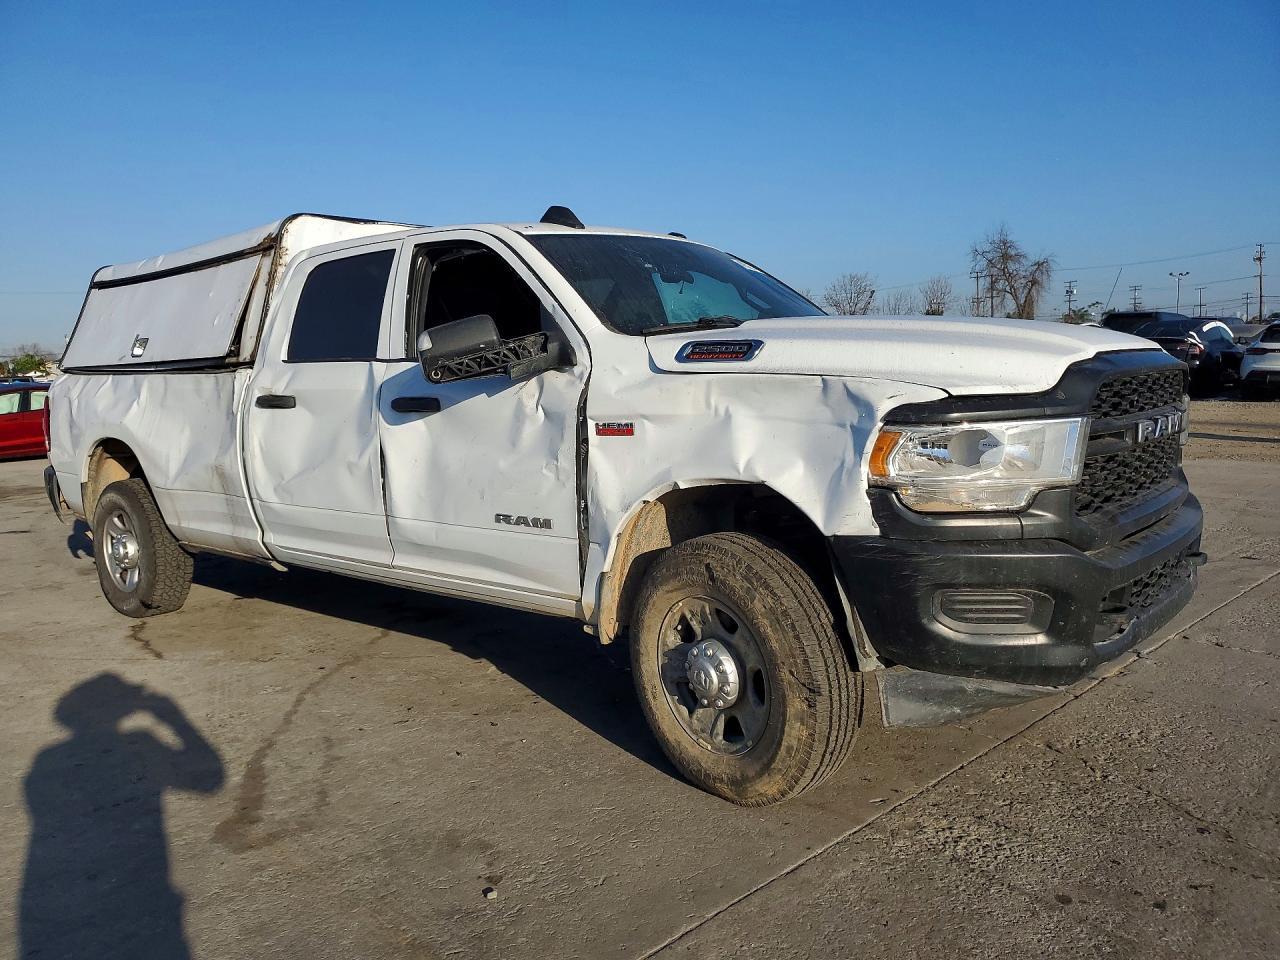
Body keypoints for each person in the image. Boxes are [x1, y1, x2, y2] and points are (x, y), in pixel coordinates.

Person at [19, 673, 224, 960]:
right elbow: (210, 779)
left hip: (68, 904)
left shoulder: (49, 759)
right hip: (139, 897)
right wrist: (173, 717)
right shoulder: (139, 745)